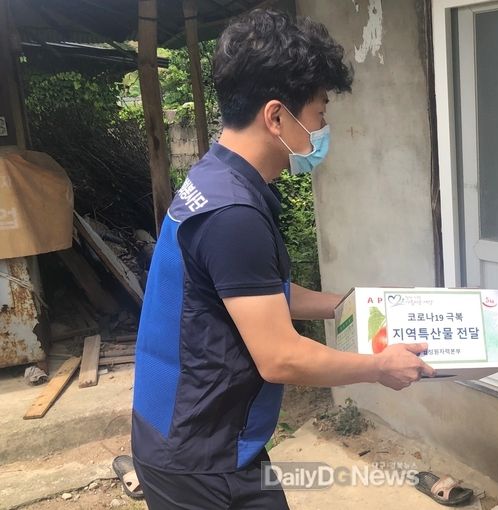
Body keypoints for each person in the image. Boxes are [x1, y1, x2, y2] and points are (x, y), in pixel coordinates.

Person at [130, 9, 435, 510]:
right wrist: (379, 366)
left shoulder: (215, 177)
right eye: (319, 112)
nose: (323, 128)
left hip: (200, 435)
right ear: (276, 117)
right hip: (199, 459)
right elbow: (280, 357)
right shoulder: (233, 215)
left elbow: (253, 294)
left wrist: (347, 305)